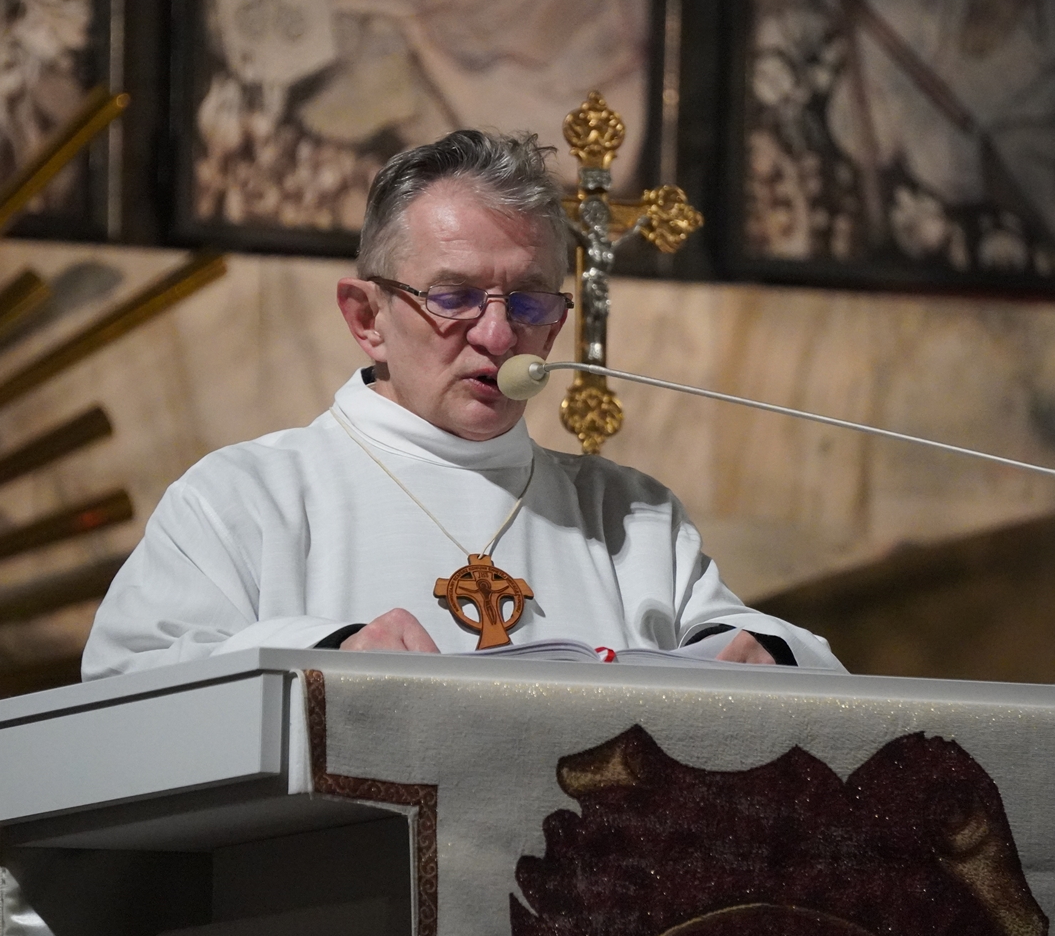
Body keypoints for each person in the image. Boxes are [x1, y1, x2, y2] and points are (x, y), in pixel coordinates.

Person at [82, 130, 845, 678]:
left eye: (530, 302)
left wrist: (760, 657)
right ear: (366, 317)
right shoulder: (243, 500)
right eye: (454, 297)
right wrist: (328, 653)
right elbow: (123, 684)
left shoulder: (630, 519)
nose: (498, 335)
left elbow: (795, 668)